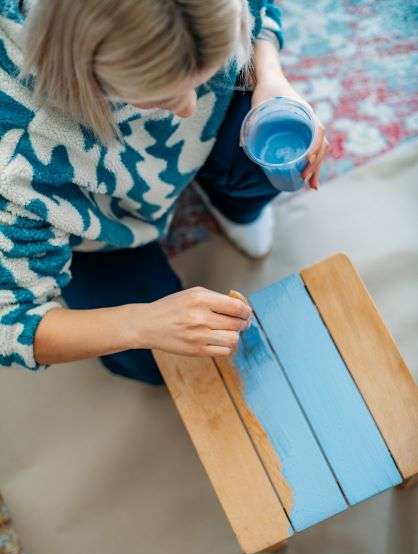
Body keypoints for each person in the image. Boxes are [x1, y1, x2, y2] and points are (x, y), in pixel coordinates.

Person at [0, 0, 329, 384]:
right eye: (161, 98)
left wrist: (270, 78)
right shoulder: (16, 156)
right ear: (85, 76)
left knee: (279, 142)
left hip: (180, 152)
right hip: (96, 227)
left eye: (205, 76)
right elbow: (10, 324)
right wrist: (140, 323)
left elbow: (257, 10)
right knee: (154, 359)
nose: (188, 108)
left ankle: (235, 202)